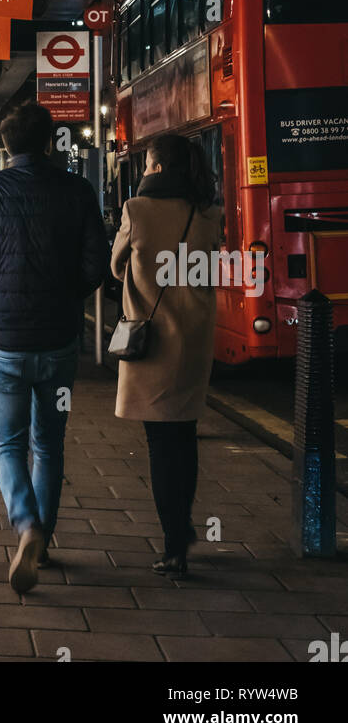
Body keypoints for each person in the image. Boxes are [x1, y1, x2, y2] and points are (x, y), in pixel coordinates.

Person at [0, 102, 110, 593]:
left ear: (4, 146)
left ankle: (27, 526)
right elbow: (96, 265)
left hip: (5, 340)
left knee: (8, 443)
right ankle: (44, 538)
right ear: (49, 143)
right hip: (60, 338)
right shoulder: (78, 191)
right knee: (49, 443)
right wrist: (67, 301)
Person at [111, 133, 221, 577]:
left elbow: (117, 265)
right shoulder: (208, 213)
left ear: (155, 168)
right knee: (185, 437)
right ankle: (183, 528)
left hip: (151, 343)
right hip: (193, 343)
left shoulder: (137, 211)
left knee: (160, 445)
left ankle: (174, 541)